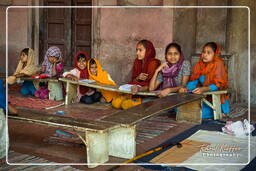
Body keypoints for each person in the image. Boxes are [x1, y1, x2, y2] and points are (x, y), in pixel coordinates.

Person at [179, 42, 230, 119]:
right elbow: (193, 82)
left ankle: (221, 112)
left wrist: (204, 89)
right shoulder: (199, 65)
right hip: (204, 98)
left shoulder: (218, 64)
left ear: (215, 54)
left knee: (197, 113)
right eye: (203, 52)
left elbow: (218, 85)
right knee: (178, 109)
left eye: (208, 53)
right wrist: (186, 89)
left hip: (216, 99)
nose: (205, 55)